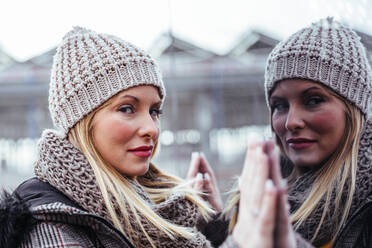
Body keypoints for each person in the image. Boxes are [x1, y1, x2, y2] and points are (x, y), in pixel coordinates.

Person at [0, 27, 280, 248]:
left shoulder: (166, 209)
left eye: (155, 111)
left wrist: (216, 228)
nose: (152, 128)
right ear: (82, 122)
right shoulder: (50, 226)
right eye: (127, 108)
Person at [225, 17, 372, 248]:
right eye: (280, 105)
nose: (291, 122)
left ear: (353, 109)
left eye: (313, 100)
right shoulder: (256, 192)